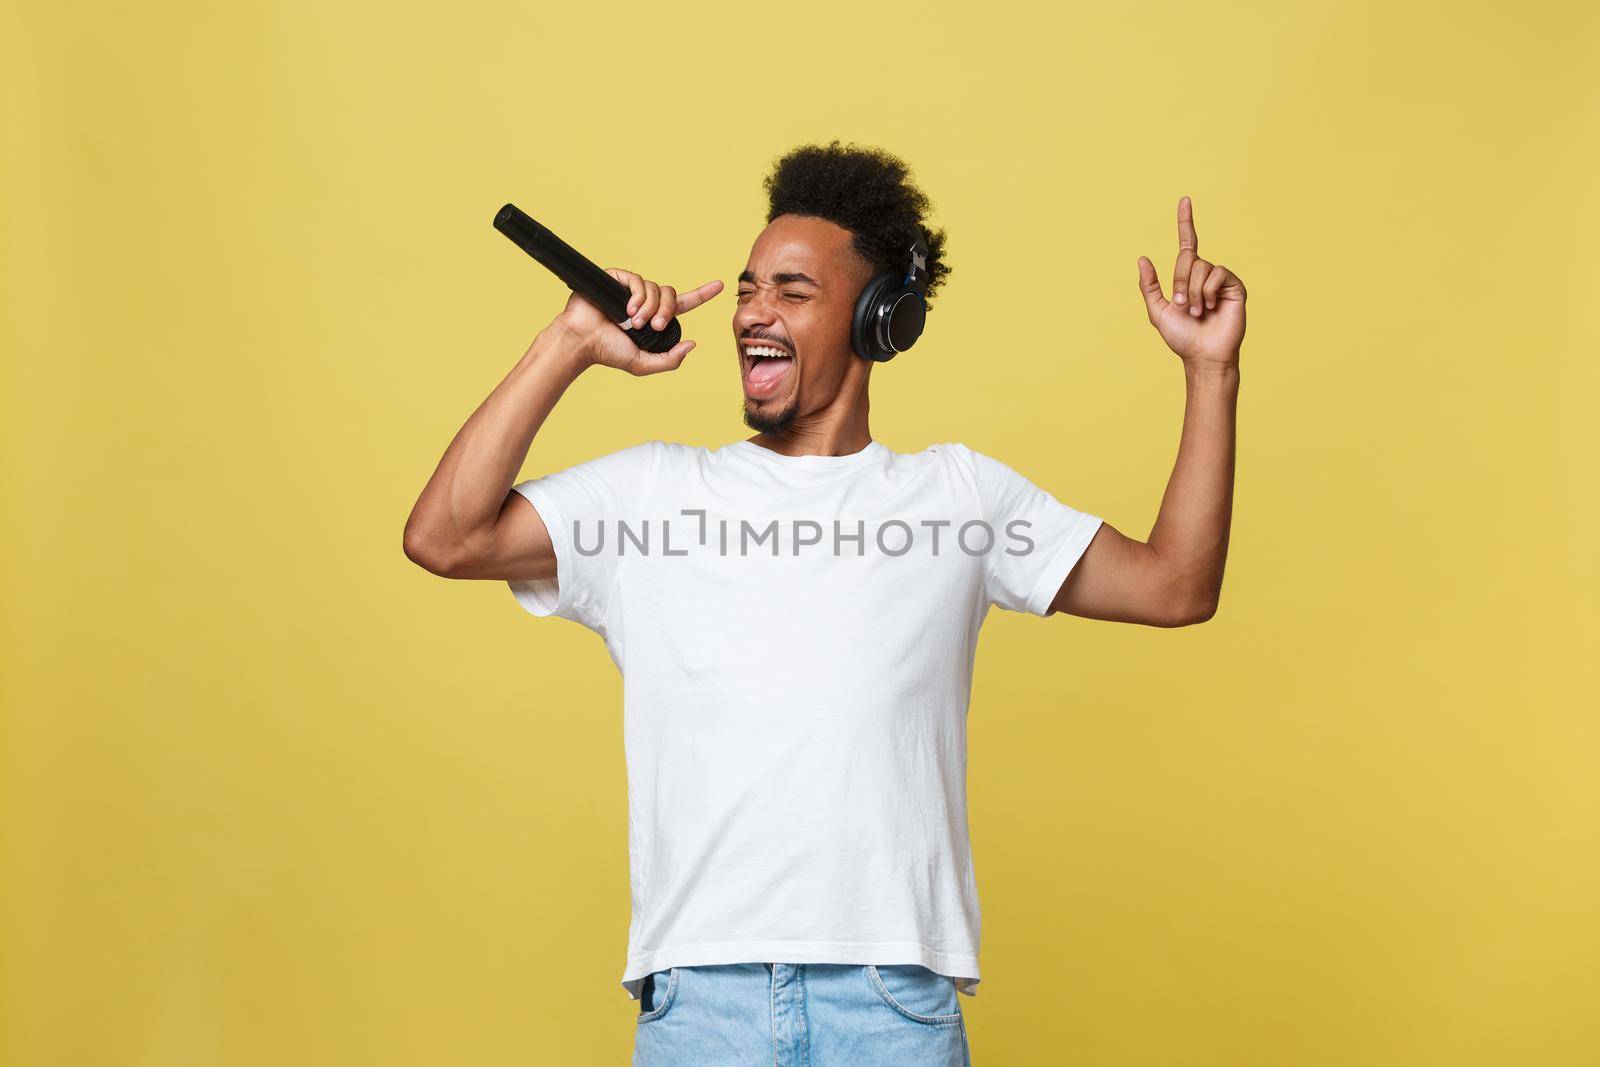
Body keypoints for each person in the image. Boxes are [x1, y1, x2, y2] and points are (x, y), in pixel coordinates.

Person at [402, 140, 1245, 1066]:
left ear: (880, 321)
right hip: (699, 1005)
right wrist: (565, 344)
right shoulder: (649, 497)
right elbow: (446, 536)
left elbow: (1176, 586)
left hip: (891, 1004)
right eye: (752, 286)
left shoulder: (958, 498)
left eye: (793, 293)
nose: (753, 312)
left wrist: (1211, 372)